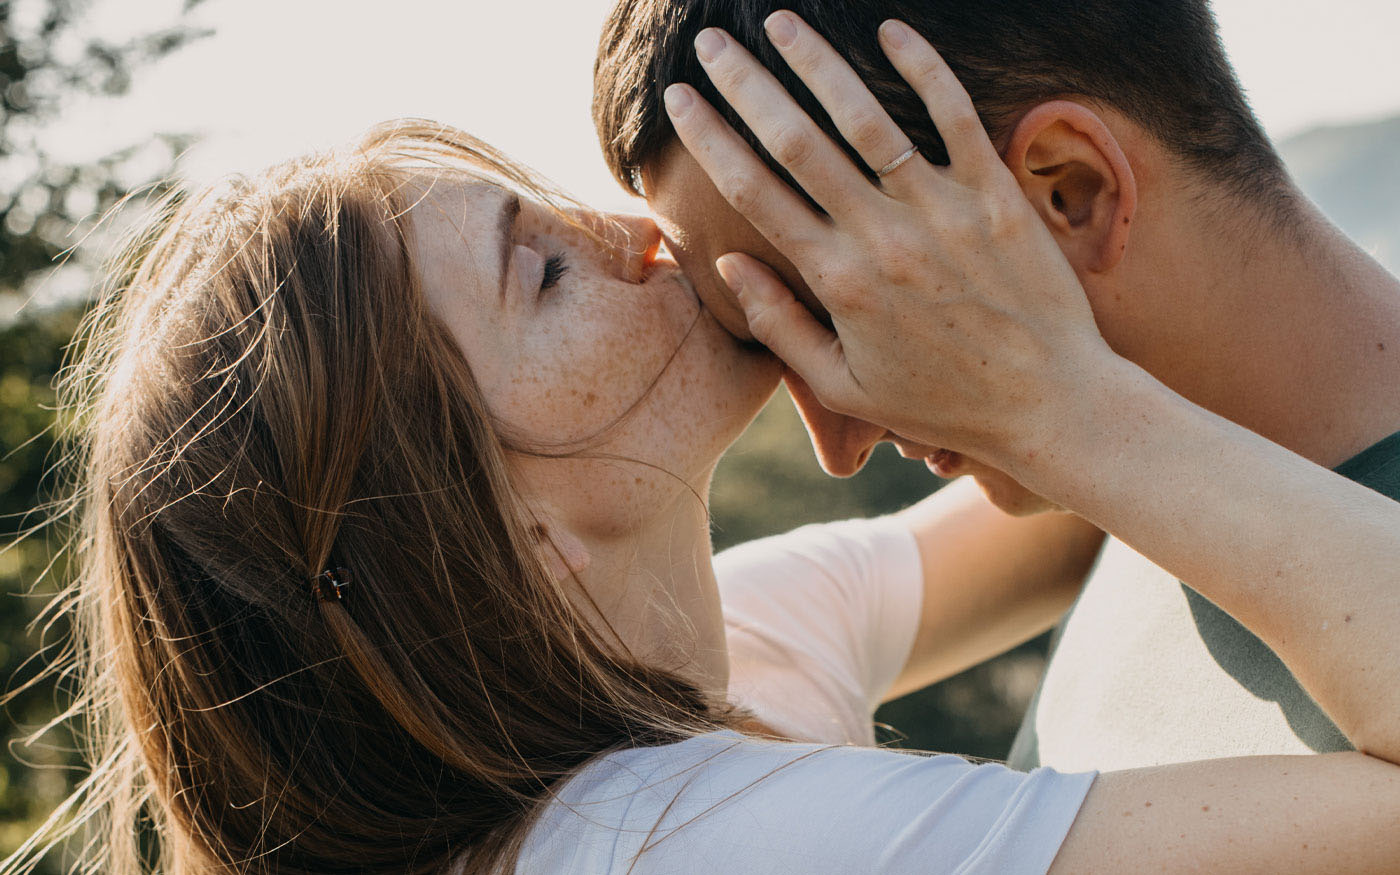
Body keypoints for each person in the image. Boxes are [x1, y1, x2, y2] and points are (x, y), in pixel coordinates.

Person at [9, 101, 1400, 874]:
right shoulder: (675, 847)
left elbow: (1086, 498)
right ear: (499, 542)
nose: (630, 232)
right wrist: (1052, 397)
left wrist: (993, 358)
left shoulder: (695, 671)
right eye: (544, 269)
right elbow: (1104, 448)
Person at [593, 0, 1400, 772]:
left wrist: (1066, 417)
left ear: (1072, 192)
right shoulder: (1110, 495)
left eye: (840, 311)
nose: (838, 447)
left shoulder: (1097, 445)